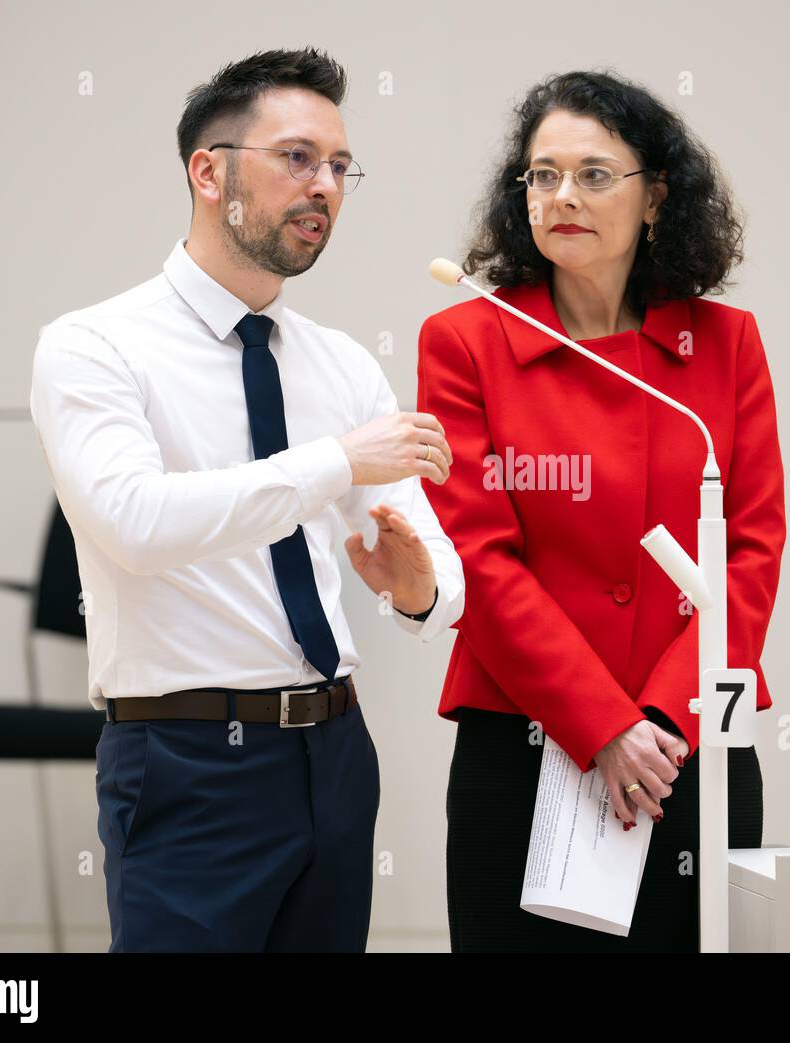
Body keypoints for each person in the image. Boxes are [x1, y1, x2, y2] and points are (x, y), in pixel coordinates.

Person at [29, 47, 464, 952]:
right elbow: (136, 525)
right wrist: (336, 461)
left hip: (337, 755)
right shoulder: (94, 346)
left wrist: (420, 588)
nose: (326, 187)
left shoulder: (340, 361)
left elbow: (433, 567)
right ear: (208, 170)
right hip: (187, 763)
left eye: (341, 167)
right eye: (298, 158)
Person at [417, 70, 785, 952]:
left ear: (656, 195)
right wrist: (604, 724)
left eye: (593, 173)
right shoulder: (465, 340)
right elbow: (480, 557)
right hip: (524, 744)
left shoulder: (724, 346)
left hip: (688, 748)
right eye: (542, 176)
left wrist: (657, 722)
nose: (562, 196)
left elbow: (751, 552)